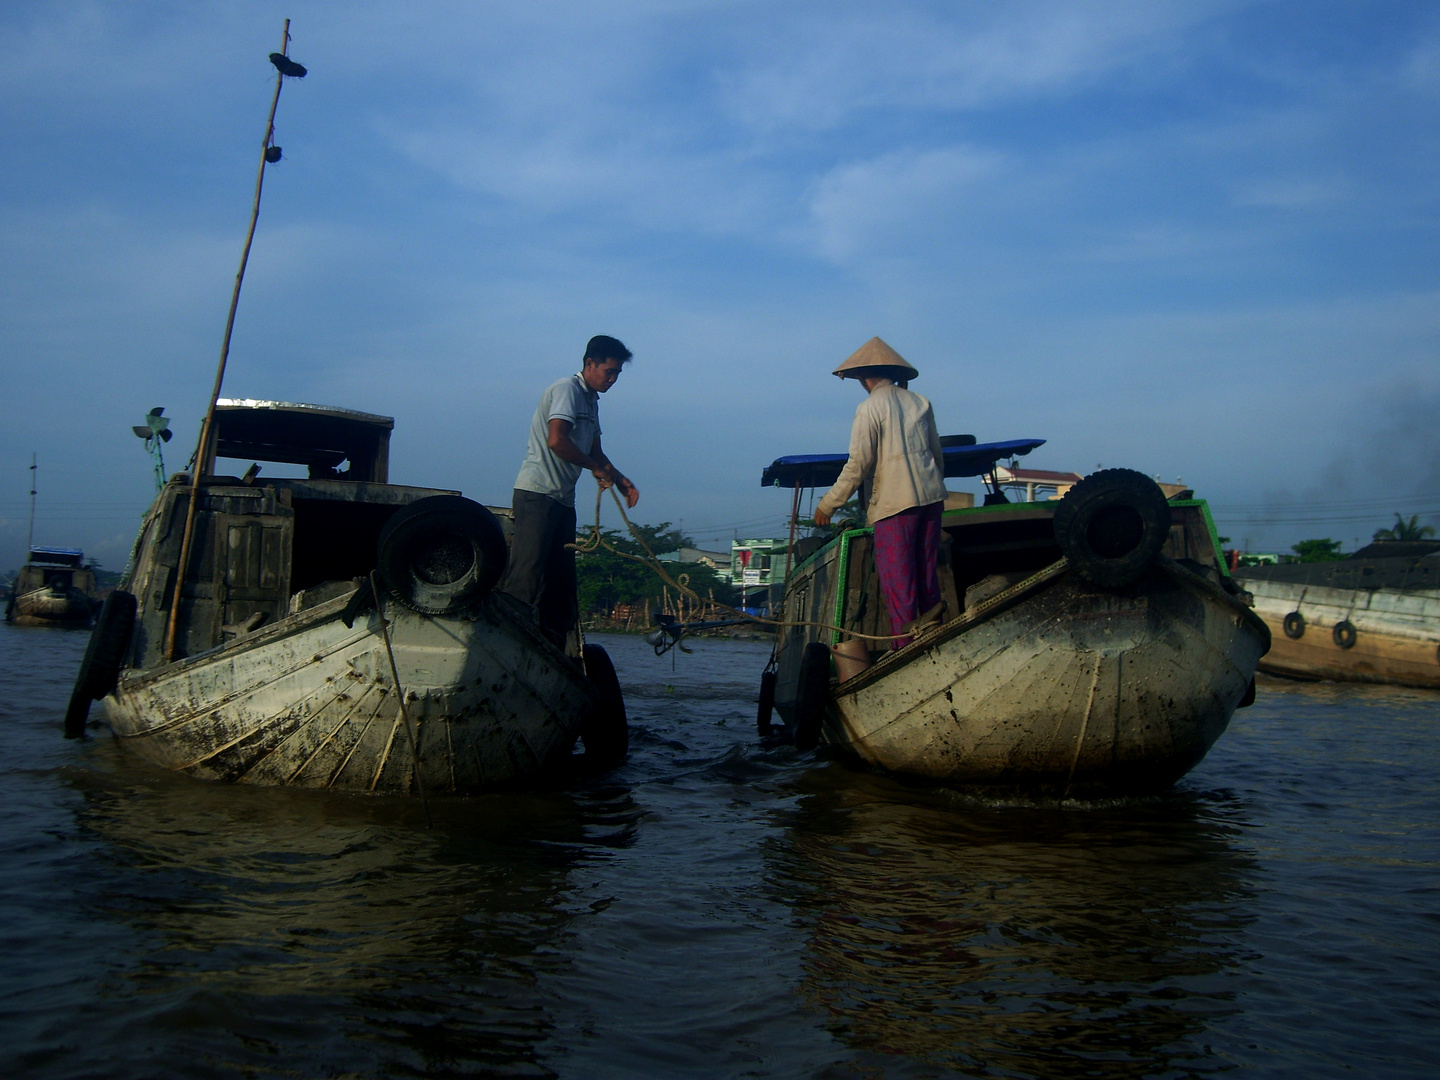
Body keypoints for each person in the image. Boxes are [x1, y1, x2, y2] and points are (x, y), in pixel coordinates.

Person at [502, 335, 640, 646]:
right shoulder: (567, 389)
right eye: (609, 371)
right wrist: (595, 467)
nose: (613, 379)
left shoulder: (591, 402)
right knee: (526, 577)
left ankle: (549, 651)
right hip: (537, 494)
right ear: (589, 364)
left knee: (560, 584)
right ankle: (506, 641)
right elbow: (557, 440)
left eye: (618, 373)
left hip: (562, 501)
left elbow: (596, 452)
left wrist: (621, 481)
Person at [813, 337, 947, 647]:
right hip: (931, 498)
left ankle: (905, 646)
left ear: (864, 378)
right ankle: (937, 637)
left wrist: (827, 505)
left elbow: (859, 464)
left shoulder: (869, 407)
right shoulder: (920, 402)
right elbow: (937, 456)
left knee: (900, 581)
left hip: (894, 505)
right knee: (927, 575)